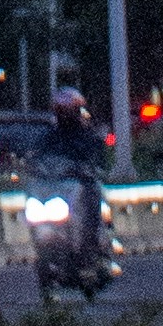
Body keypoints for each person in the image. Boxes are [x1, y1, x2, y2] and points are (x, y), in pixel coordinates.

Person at [41, 79, 111, 289]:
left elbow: (98, 155)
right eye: (60, 110)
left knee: (92, 203)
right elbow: (38, 155)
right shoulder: (50, 136)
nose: (64, 115)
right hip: (56, 187)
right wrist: (30, 164)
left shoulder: (88, 135)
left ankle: (95, 250)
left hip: (82, 184)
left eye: (68, 110)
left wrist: (89, 166)